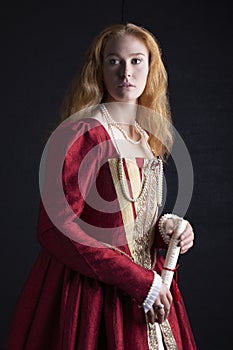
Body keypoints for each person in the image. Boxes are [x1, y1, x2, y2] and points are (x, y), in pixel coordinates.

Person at [4, 23, 197, 350]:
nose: (126, 72)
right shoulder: (82, 133)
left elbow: (133, 220)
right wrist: (137, 281)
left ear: (151, 69)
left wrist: (167, 229)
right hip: (91, 295)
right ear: (99, 69)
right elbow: (55, 228)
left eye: (137, 61)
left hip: (148, 291)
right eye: (114, 61)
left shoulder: (145, 137)